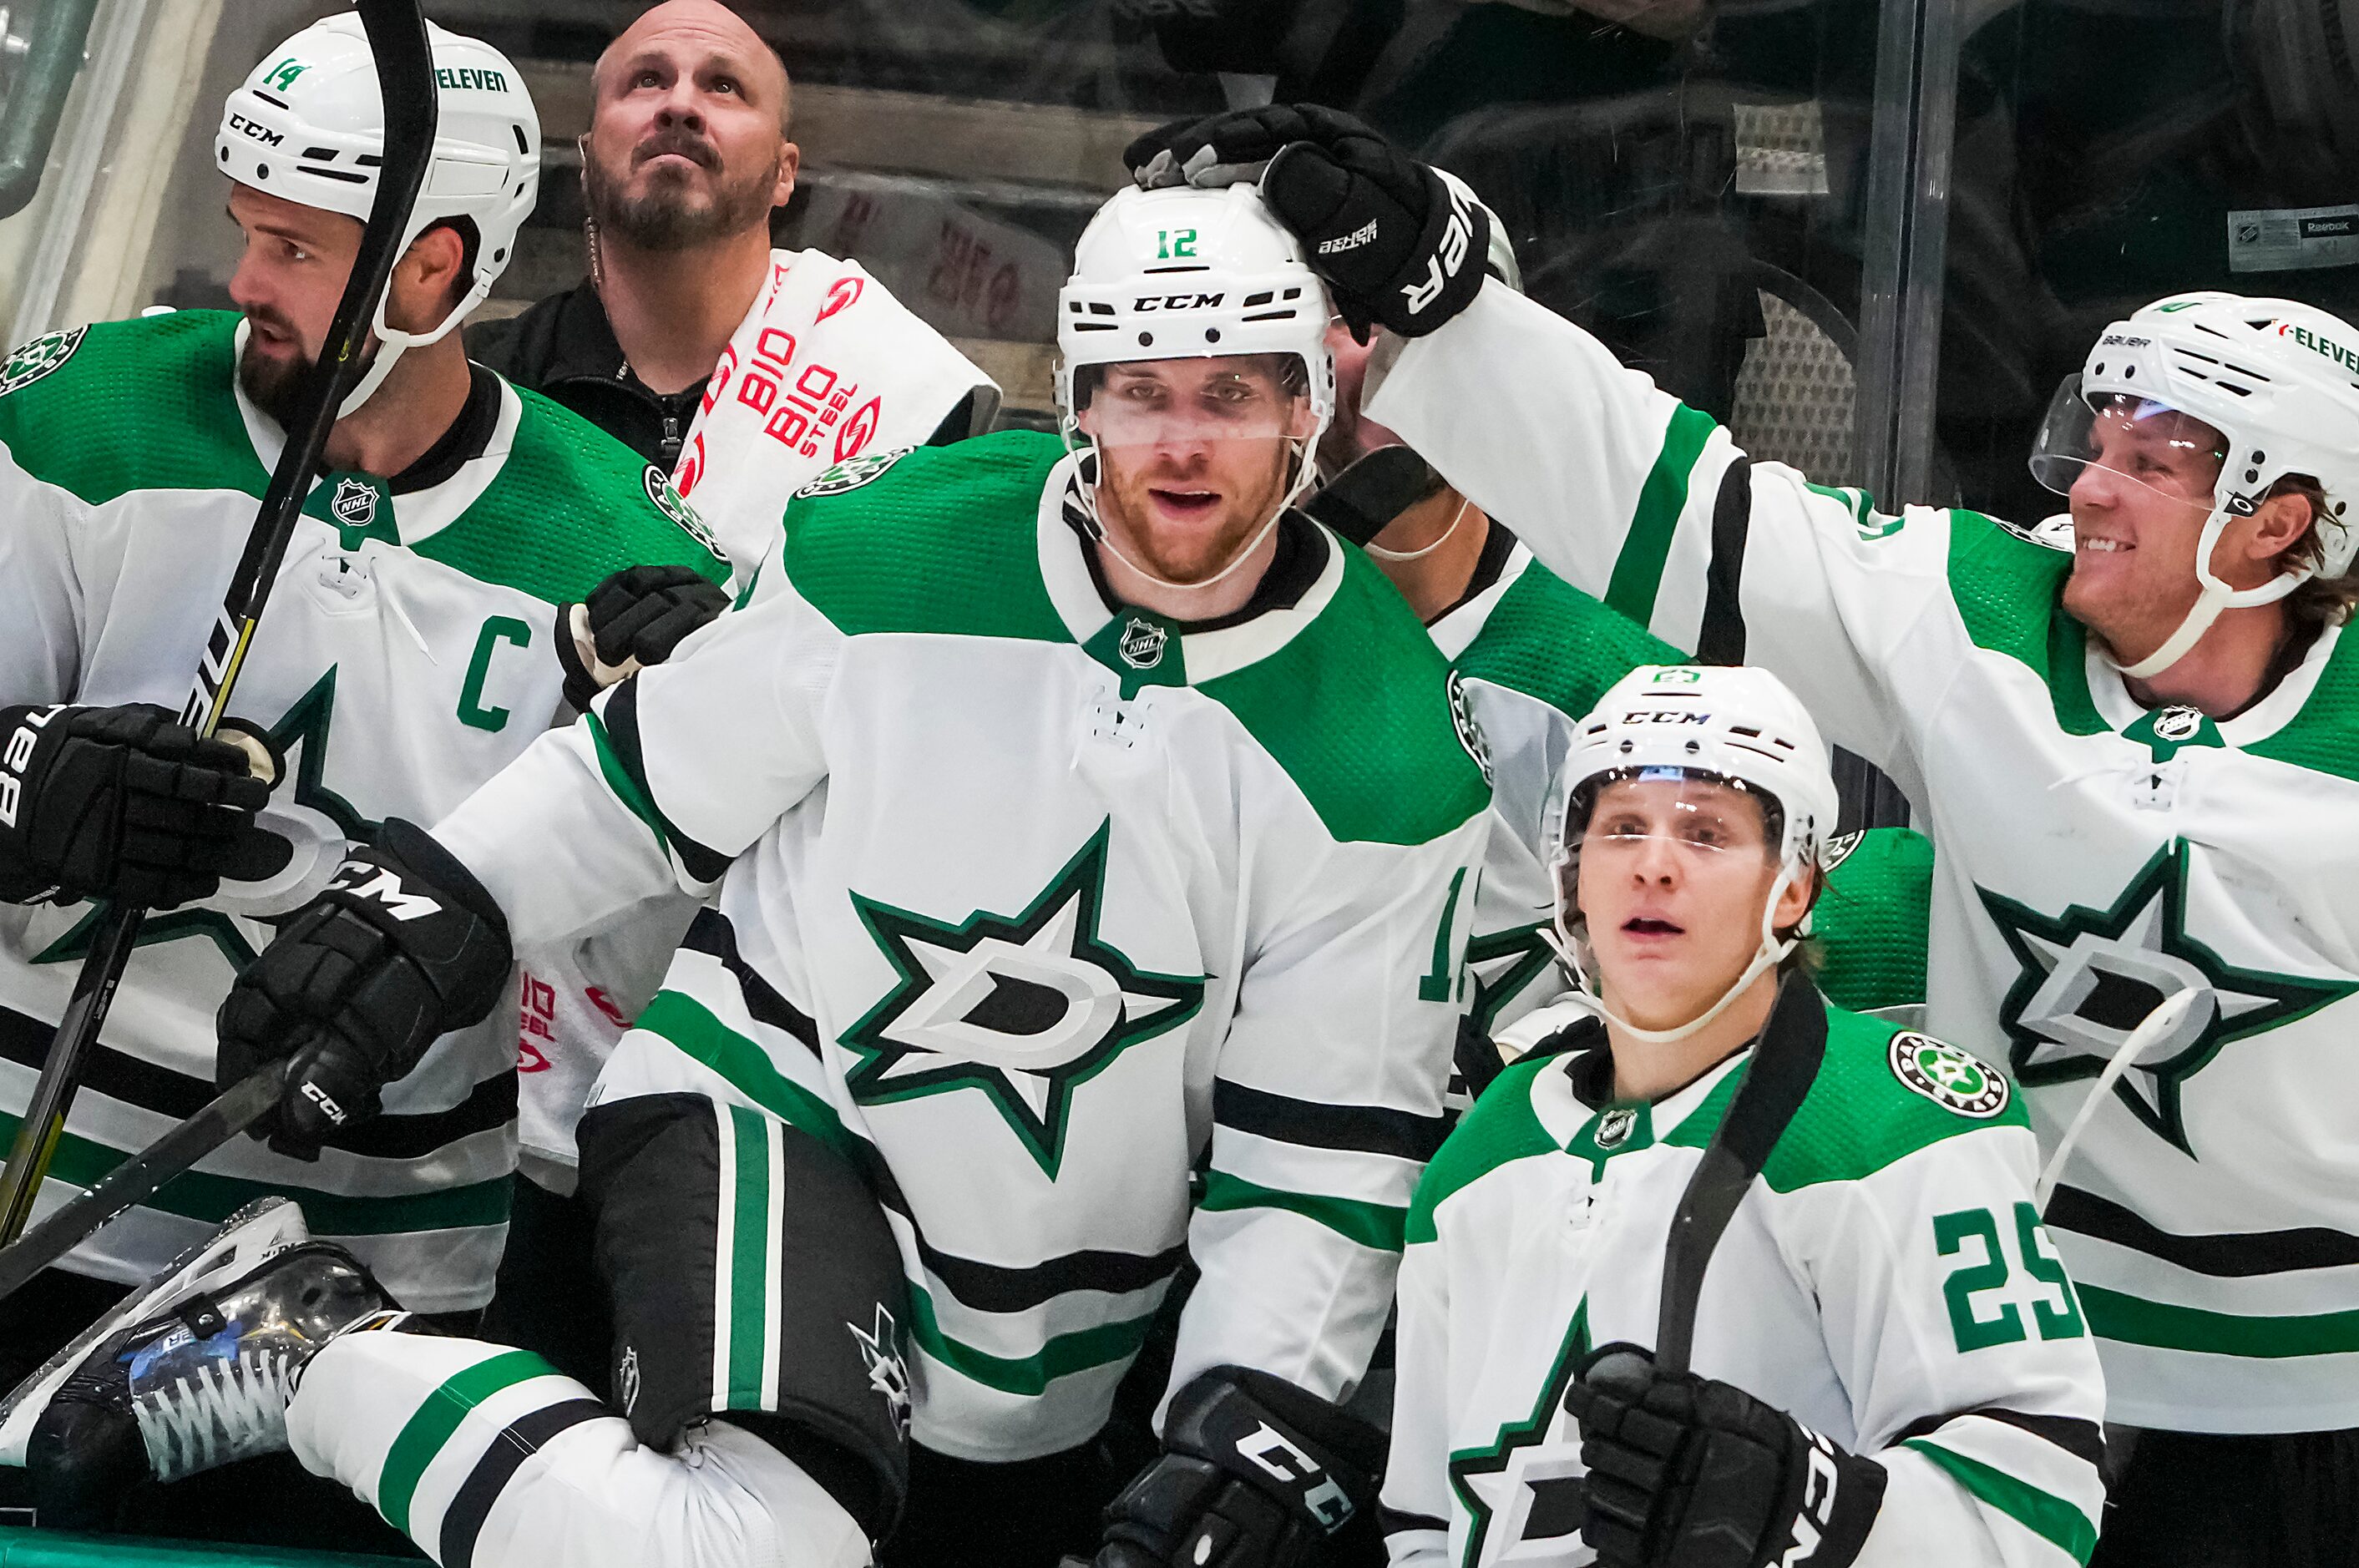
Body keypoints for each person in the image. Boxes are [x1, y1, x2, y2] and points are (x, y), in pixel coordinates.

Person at [15, 180, 1492, 1568]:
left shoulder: (1388, 756)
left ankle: (318, 1350)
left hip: (1048, 1315)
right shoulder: (905, 548)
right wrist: (439, 907)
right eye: (1139, 391)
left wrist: (1253, 1407)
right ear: (1079, 398)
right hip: (770, 1107)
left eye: (1231, 394)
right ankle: (320, 1352)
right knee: (753, 1545)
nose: (1181, 442)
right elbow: (643, 779)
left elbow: (1322, 1148)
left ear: (1307, 405)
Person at [1129, 105, 2359, 1566]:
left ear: (2283, 520)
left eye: (2153, 461)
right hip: (2023, 1323)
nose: (2086, 485)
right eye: (2094, 444)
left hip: (2319, 1374)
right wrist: (1442, 295)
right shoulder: (1977, 613)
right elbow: (1697, 510)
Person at [0, 15, 726, 1538]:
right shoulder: (79, 415)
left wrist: (694, 767)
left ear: (438, 267)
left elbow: (666, 975)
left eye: (296, 245)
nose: (245, 279)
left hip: (352, 1307)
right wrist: (17, 784)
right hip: (25, 1199)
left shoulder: (618, 550)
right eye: (244, 230)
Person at [1382, 662, 2108, 1568]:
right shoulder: (1487, 1147)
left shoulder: (1890, 1128)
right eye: (1619, 830)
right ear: (1571, 876)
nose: (1652, 864)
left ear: (1794, 888)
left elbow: (2034, 1511)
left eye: (1705, 832)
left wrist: (1805, 1506)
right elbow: (1421, 1523)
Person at [468, 0, 996, 564]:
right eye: (647, 80)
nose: (679, 105)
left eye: (723, 86)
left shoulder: (899, 394)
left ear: (785, 172)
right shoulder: (478, 388)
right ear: (586, 152)